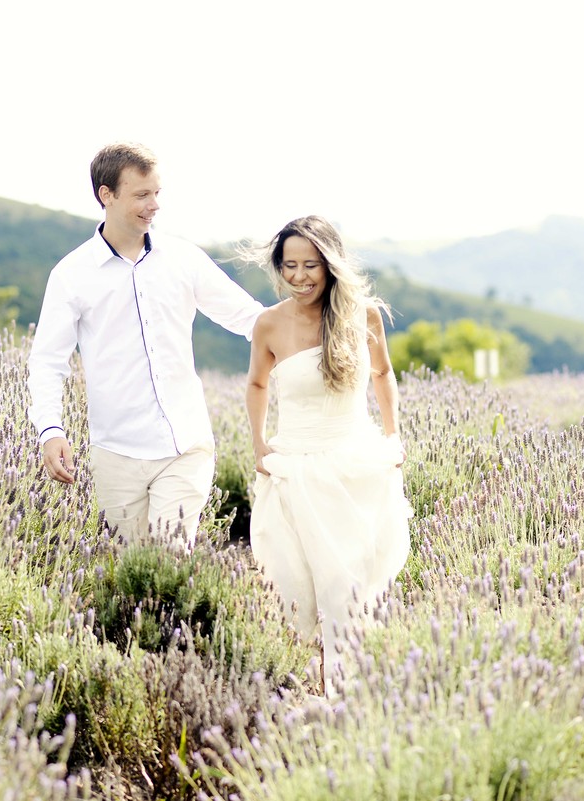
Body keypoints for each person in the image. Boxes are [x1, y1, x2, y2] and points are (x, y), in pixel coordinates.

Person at [28, 142, 264, 545]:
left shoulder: (183, 258)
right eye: (141, 194)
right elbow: (48, 362)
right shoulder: (71, 274)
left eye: (157, 192)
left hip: (185, 444)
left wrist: (317, 326)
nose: (154, 205)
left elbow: (248, 317)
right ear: (107, 195)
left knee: (169, 558)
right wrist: (50, 430)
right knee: (133, 569)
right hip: (116, 452)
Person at [245, 215, 411, 695]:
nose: (299, 276)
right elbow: (256, 384)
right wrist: (259, 442)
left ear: (330, 265)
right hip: (294, 471)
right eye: (290, 265)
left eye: (310, 265)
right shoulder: (269, 323)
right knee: (293, 590)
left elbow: (383, 374)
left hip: (353, 466)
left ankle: (345, 694)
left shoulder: (362, 316)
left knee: (346, 588)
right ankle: (301, 691)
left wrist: (393, 434)